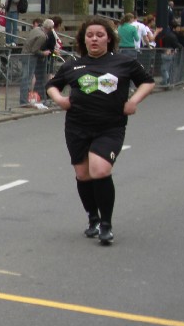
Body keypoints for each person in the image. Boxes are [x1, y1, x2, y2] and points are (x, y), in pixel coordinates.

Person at [45, 16, 156, 246]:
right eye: (90, 35)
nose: (94, 39)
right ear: (83, 39)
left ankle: (106, 224)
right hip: (77, 127)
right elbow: (52, 85)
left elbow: (147, 82)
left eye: (99, 35)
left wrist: (133, 101)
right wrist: (60, 100)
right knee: (83, 175)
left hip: (110, 127)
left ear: (109, 38)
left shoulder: (124, 62)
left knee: (100, 169)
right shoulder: (73, 65)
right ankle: (93, 219)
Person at [18, 18, 47, 106]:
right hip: (30, 57)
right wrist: (43, 53)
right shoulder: (42, 35)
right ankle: (24, 101)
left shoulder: (35, 30)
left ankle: (25, 99)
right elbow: (35, 50)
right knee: (27, 78)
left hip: (25, 55)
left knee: (26, 78)